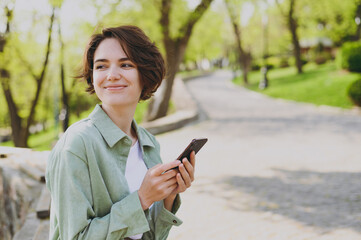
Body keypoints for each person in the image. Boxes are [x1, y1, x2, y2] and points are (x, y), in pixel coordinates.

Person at [45, 25, 196, 240]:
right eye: (101, 66)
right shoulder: (77, 144)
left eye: (125, 64)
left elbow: (148, 236)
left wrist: (169, 194)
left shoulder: (149, 143)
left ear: (144, 73)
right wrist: (142, 199)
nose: (112, 75)